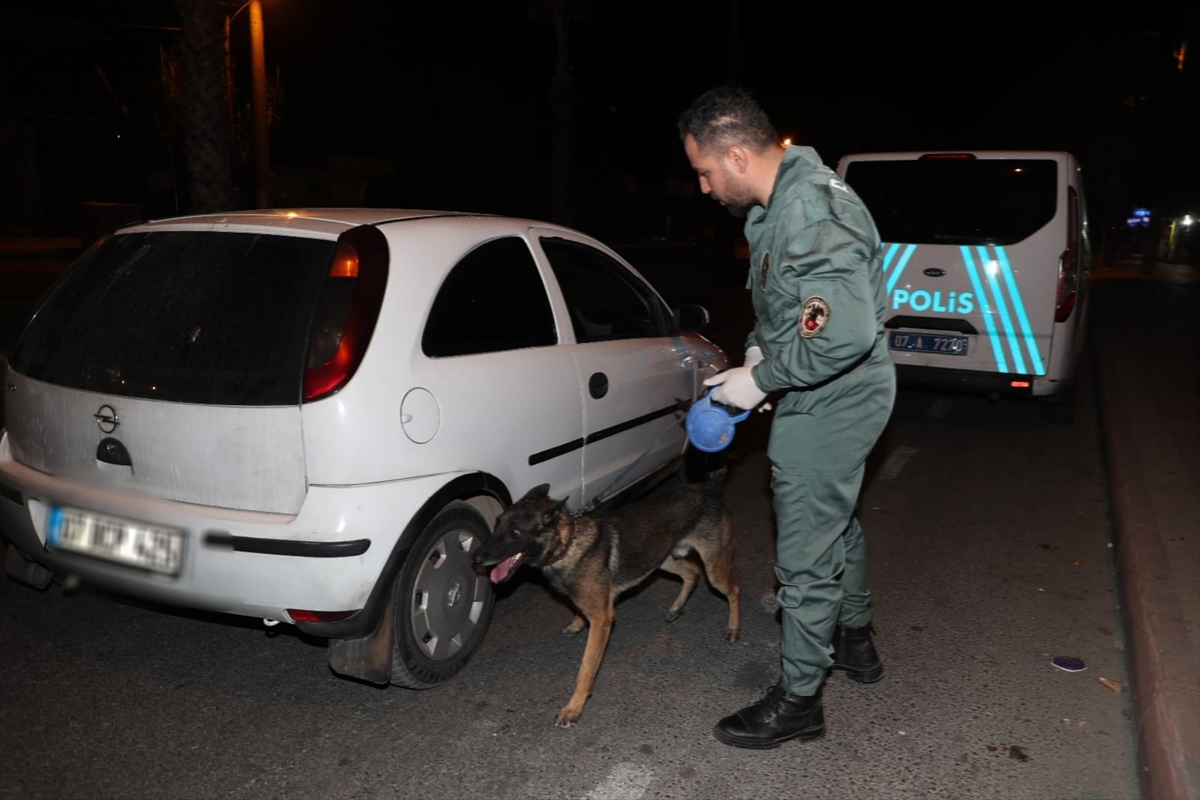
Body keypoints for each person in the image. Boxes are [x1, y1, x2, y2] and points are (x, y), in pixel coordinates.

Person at [678, 86, 896, 749]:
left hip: (835, 394)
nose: (704, 187)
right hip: (823, 384)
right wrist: (757, 352)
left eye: (704, 171)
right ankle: (855, 641)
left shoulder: (809, 211)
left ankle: (800, 700)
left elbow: (843, 334)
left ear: (738, 155)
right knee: (833, 519)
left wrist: (763, 380)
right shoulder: (776, 210)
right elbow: (794, 310)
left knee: (803, 549)